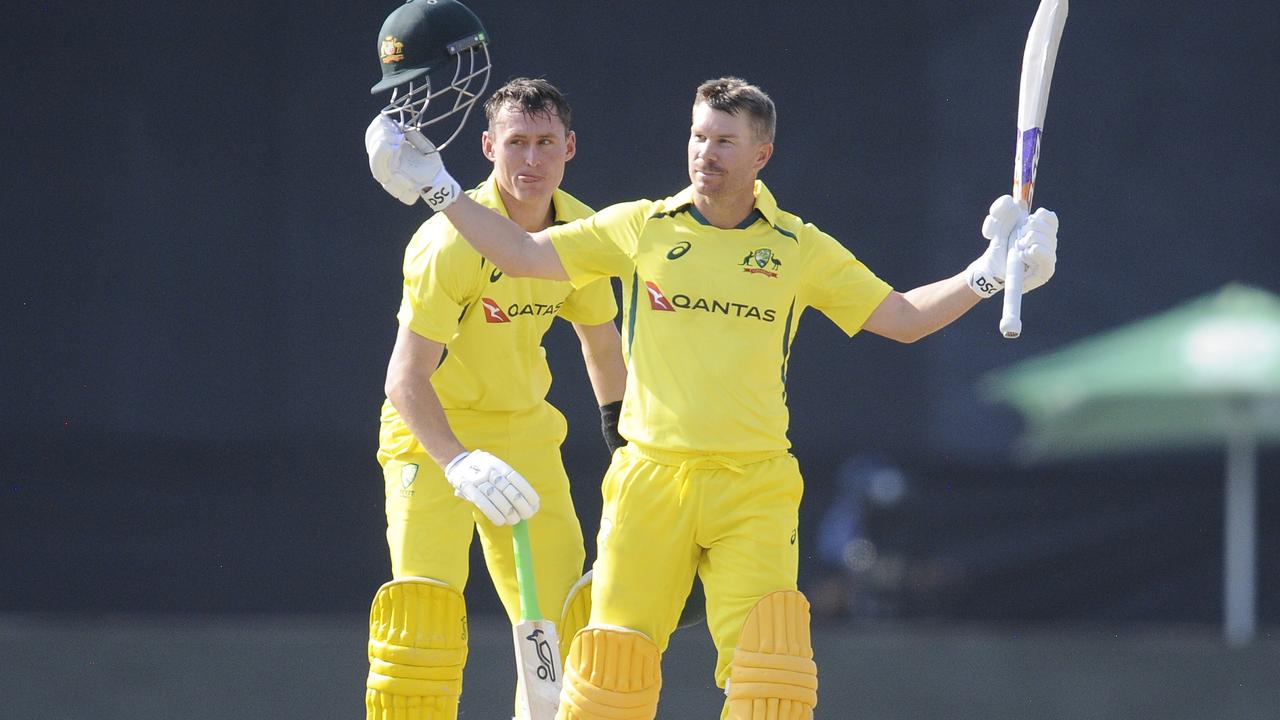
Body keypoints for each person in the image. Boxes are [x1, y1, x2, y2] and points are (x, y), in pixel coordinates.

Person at [366, 76, 1058, 719]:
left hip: (752, 486)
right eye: (699, 137)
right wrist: (439, 188)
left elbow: (903, 317)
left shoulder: (799, 248)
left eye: (725, 141)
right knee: (607, 682)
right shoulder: (641, 226)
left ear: (763, 153)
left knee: (772, 677)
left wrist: (987, 275)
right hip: (649, 485)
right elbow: (520, 254)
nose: (707, 154)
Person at [361, 5, 627, 719]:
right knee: (422, 617)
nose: (531, 161)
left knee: (569, 624)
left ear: (570, 147)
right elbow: (404, 380)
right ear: (487, 148)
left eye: (545, 143)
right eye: (516, 144)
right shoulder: (447, 243)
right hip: (431, 435)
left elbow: (602, 345)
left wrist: (624, 450)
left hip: (522, 434)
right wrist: (454, 461)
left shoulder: (583, 234)